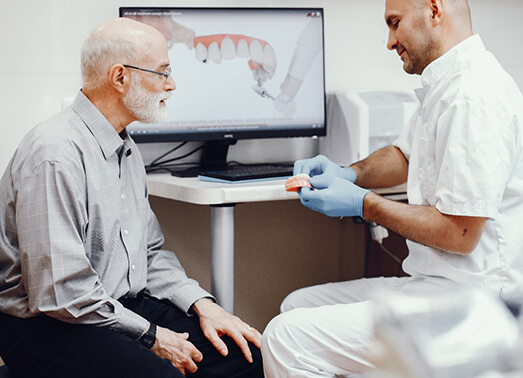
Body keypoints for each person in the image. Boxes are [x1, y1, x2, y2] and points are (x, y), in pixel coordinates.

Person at [262, 0, 523, 376]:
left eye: (394, 23)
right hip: (433, 283)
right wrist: (347, 173)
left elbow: (460, 232)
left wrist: (365, 204)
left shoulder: (474, 95)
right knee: (297, 306)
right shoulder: (447, 83)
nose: (389, 41)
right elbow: (404, 154)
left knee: (285, 337)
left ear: (434, 9)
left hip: (471, 303)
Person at [0, 18, 263, 378]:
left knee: (243, 356)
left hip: (115, 306)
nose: (171, 85)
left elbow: (149, 254)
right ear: (120, 78)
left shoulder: (124, 147)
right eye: (163, 72)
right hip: (47, 324)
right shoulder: (55, 154)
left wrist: (203, 305)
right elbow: (61, 294)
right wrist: (153, 337)